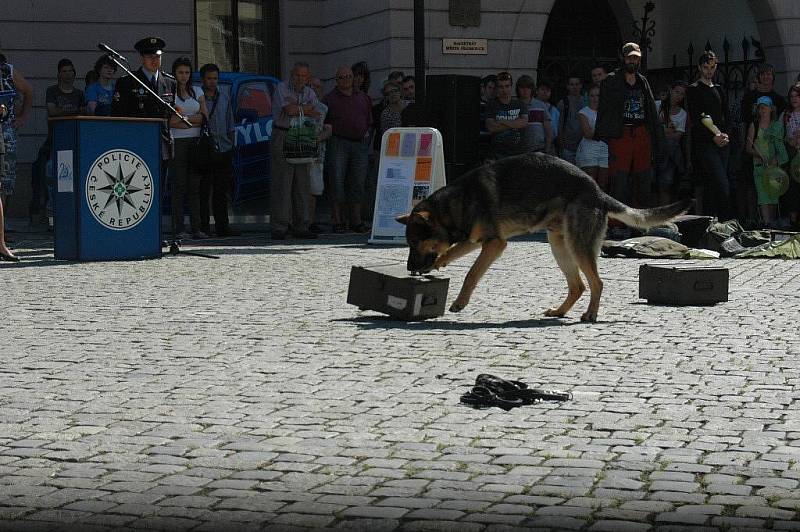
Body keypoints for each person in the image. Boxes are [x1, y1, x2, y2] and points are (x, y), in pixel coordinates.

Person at [595, 42, 662, 208]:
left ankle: (640, 221)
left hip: (641, 134)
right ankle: (617, 222)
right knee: (619, 181)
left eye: (636, 58)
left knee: (643, 179)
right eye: (630, 57)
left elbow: (651, 110)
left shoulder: (642, 81)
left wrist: (655, 137)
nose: (633, 61)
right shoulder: (611, 80)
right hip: (621, 134)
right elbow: (605, 110)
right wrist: (608, 135)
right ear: (623, 58)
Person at [111, 37, 177, 178]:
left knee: (159, 186)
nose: (154, 60)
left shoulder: (170, 82)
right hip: (136, 143)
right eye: (149, 56)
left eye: (157, 56)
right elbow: (118, 114)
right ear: (142, 57)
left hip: (161, 143)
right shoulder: (127, 82)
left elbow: (170, 114)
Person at [270, 61, 320, 240]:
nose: (300, 79)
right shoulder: (281, 88)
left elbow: (317, 112)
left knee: (302, 183)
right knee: (282, 183)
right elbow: (289, 111)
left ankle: (302, 225)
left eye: (304, 76)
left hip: (304, 136)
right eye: (297, 75)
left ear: (308, 77)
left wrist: (299, 108)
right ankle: (280, 226)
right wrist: (305, 109)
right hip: (283, 135)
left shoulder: (310, 92)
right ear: (292, 75)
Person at [323, 66, 373, 233]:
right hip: (338, 143)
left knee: (358, 182)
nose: (346, 80)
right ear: (336, 80)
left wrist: (366, 136)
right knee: (337, 182)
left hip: (360, 144)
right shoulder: (329, 99)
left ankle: (356, 221)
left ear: (353, 78)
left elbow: (368, 120)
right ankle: (338, 221)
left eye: (349, 76)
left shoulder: (364, 98)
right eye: (342, 77)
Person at [686, 51, 732, 219]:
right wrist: (714, 135)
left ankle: (712, 221)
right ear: (700, 68)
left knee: (714, 184)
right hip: (705, 143)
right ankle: (724, 218)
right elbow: (698, 117)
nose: (709, 71)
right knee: (721, 182)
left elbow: (726, 115)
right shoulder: (693, 89)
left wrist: (725, 134)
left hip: (722, 141)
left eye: (712, 68)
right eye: (706, 68)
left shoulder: (719, 89)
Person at [167, 57, 207, 240]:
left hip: (196, 143)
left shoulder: (197, 91)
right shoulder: (170, 94)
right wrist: (193, 119)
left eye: (187, 72)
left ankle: (196, 227)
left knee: (195, 187)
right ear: (175, 74)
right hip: (177, 142)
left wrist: (184, 120)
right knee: (178, 186)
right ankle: (179, 227)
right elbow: (170, 121)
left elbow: (204, 117)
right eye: (180, 72)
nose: (183, 76)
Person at [197, 63, 238, 237]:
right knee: (204, 190)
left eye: (215, 78)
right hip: (206, 148)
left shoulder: (224, 96)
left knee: (222, 191)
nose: (212, 82)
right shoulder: (198, 96)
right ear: (203, 79)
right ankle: (204, 226)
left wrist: (231, 144)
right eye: (209, 78)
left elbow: (230, 122)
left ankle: (223, 226)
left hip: (224, 147)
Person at [0, 51, 33, 241]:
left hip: (5, 132)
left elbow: (28, 90)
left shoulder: (7, 71)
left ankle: (0, 234)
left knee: (5, 184)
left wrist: (22, 118)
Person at [746, 96, 788, 226]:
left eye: (765, 107)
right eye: (760, 107)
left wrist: (776, 158)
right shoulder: (754, 125)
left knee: (773, 197)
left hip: (774, 168)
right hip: (759, 167)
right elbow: (748, 147)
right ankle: (767, 223)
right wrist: (759, 155)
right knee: (763, 197)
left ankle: (772, 223)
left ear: (771, 109)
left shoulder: (777, 126)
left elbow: (780, 146)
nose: (763, 110)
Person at [655, 81, 689, 205]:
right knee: (669, 145)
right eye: (676, 92)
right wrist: (666, 130)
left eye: (681, 94)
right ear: (671, 91)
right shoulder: (657, 105)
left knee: (670, 144)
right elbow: (653, 129)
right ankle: (681, 167)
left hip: (668, 152)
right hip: (657, 149)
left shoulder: (682, 114)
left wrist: (662, 130)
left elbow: (677, 136)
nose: (678, 96)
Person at [485, 72, 528, 159]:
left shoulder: (520, 104)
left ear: (511, 86)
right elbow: (491, 128)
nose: (504, 90)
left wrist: (502, 121)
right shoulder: (492, 104)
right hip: (498, 154)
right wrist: (515, 123)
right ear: (497, 88)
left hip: (518, 153)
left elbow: (524, 122)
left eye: (507, 86)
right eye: (501, 87)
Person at [308, 77, 331, 233]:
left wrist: (316, 138)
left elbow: (329, 129)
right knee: (298, 189)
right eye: (312, 86)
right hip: (298, 153)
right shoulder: (300, 106)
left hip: (317, 154)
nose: (315, 90)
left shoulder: (324, 108)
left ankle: (310, 222)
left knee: (314, 189)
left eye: (318, 87)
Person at [576, 85, 609, 191]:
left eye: (598, 96)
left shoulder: (608, 112)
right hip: (589, 150)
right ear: (588, 97)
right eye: (592, 96)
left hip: (605, 149)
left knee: (603, 185)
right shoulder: (583, 112)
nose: (595, 98)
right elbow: (588, 134)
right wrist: (604, 129)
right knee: (590, 185)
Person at [516, 74, 552, 154]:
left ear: (532, 89)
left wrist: (547, 149)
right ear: (518, 89)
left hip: (539, 148)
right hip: (520, 150)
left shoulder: (541, 105)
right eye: (522, 87)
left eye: (528, 87)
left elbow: (548, 131)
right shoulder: (514, 105)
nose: (525, 90)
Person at [782, 82, 800, 229]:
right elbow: (782, 134)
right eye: (791, 96)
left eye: (797, 96)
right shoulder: (786, 114)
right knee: (792, 187)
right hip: (792, 153)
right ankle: (793, 221)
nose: (794, 99)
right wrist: (790, 140)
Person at [557, 74, 585, 164]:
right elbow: (559, 124)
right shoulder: (563, 103)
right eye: (572, 84)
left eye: (577, 84)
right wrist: (561, 142)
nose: (575, 87)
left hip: (583, 145)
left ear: (581, 86)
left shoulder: (586, 102)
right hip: (567, 146)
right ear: (568, 86)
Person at [536, 79, 559, 153]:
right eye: (542, 89)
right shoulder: (531, 106)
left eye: (548, 90)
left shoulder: (554, 111)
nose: (545, 92)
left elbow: (555, 131)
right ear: (537, 91)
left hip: (549, 146)